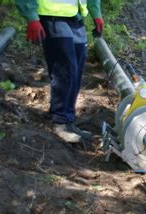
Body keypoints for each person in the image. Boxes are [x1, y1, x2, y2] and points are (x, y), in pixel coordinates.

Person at [16, 0, 104, 143]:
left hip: (75, 17)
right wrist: (32, 17)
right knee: (65, 69)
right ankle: (60, 121)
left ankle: (68, 120)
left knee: (76, 70)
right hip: (50, 16)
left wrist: (96, 13)